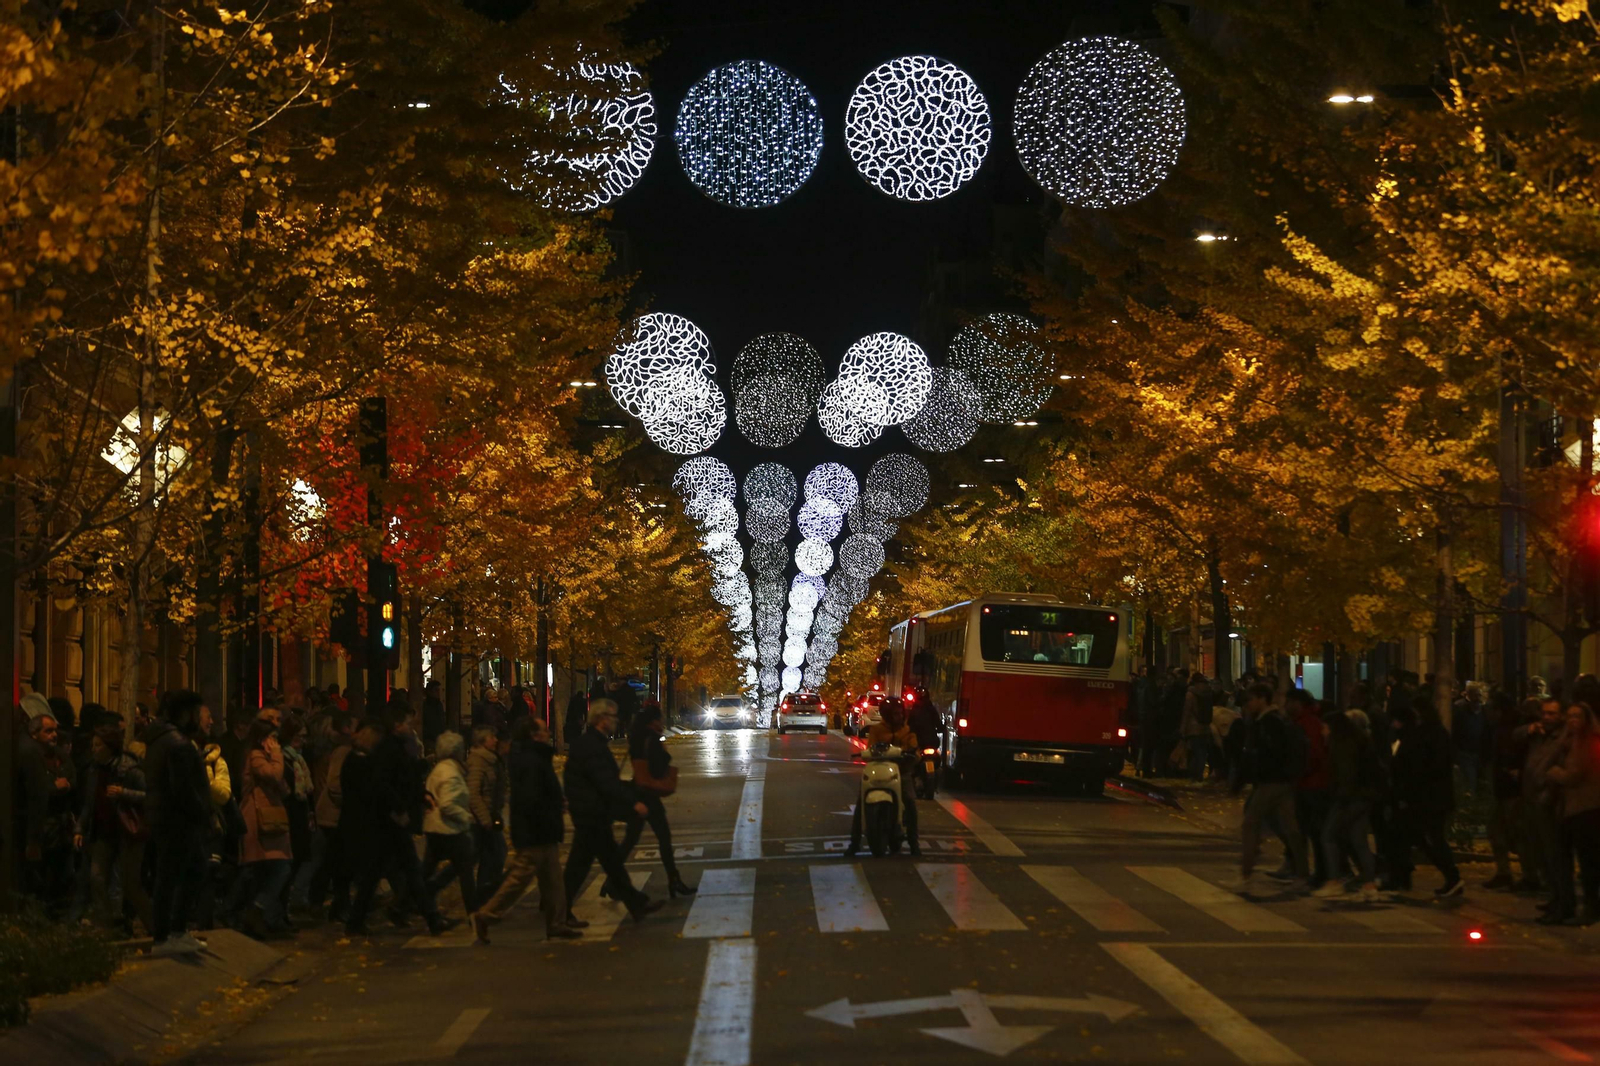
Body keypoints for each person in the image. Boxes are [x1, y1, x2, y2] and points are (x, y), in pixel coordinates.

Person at [472, 716, 582, 943]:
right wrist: (552, 807)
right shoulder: (531, 759)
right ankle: (485, 915)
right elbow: (532, 797)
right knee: (520, 878)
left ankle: (557, 923)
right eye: (544, 730)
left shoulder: (531, 756)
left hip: (541, 827)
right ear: (534, 735)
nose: (548, 733)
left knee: (553, 879)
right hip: (535, 828)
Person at [344, 714, 450, 937]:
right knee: (407, 869)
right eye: (407, 723)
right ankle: (427, 916)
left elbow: (402, 780)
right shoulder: (384, 753)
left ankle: (363, 918)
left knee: (388, 871)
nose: (411, 728)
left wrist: (420, 796)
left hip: (386, 820)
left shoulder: (390, 751)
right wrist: (400, 809)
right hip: (388, 821)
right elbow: (387, 785)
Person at [562, 699, 662, 923]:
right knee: (586, 866)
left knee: (603, 863)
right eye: (613, 718)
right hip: (591, 814)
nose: (616, 722)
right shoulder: (592, 746)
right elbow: (605, 782)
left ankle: (636, 904)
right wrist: (632, 803)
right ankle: (558, 910)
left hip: (591, 813)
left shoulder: (590, 743)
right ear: (600, 719)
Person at [145, 690, 215, 955]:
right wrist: (204, 815)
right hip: (177, 822)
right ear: (187, 714)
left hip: (167, 819)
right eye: (199, 714)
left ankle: (173, 932)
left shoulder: (162, 739)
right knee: (181, 874)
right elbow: (184, 789)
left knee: (180, 874)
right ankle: (167, 935)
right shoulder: (178, 745)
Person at [72, 723, 153, 933]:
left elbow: (151, 797)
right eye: (93, 745)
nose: (94, 749)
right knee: (97, 877)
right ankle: (106, 923)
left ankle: (155, 927)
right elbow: (90, 802)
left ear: (109, 746)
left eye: (98, 745)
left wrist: (124, 793)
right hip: (104, 831)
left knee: (131, 884)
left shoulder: (129, 767)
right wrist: (79, 828)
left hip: (128, 832)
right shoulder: (94, 769)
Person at [610, 703, 695, 899]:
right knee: (663, 837)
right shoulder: (653, 740)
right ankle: (674, 880)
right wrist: (664, 751)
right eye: (661, 719)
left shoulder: (636, 738)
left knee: (630, 840)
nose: (663, 722)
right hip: (648, 795)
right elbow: (657, 768)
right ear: (654, 721)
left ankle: (612, 881)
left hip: (638, 791)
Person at [1233, 682, 1307, 889]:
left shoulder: (1267, 724)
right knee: (1291, 828)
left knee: (1250, 824)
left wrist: (1246, 778)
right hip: (1282, 780)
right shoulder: (1274, 721)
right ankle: (1302, 872)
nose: (1247, 705)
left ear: (1262, 699)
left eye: (1251, 700)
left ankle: (1246, 873)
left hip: (1270, 781)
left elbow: (1262, 755)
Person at [1393, 695, 1463, 898]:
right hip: (1426, 795)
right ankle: (1448, 877)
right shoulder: (1427, 733)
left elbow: (1427, 766)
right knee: (1423, 837)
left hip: (1429, 797)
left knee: (1432, 838)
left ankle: (1453, 877)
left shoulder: (1430, 734)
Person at [1313, 710, 1383, 899]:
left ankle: (1334, 880)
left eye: (1325, 728)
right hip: (1364, 796)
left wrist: (1340, 798)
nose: (1323, 732)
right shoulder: (1359, 741)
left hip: (1350, 798)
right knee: (1359, 840)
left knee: (1328, 836)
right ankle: (1369, 884)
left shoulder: (1342, 746)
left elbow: (1346, 775)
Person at [236, 716, 294, 939]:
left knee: (268, 868)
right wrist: (277, 756)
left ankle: (256, 914)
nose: (275, 743)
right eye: (272, 738)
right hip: (259, 819)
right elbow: (274, 775)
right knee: (277, 867)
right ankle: (253, 910)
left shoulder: (266, 756)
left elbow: (282, 785)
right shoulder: (257, 756)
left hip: (270, 818)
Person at [1545, 701, 1600, 925]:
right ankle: (1568, 905)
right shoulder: (1568, 741)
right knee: (1566, 857)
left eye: (1577, 716)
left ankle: (1591, 907)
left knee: (1587, 862)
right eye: (1570, 716)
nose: (1572, 721)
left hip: (1586, 808)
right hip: (1569, 808)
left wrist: (1554, 772)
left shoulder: (1589, 743)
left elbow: (1574, 774)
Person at [845, 697, 920, 857]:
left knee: (910, 801)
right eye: (894, 713)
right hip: (878, 768)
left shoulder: (908, 730)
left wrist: (912, 755)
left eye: (900, 713)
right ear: (886, 715)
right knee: (861, 802)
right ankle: (854, 841)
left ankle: (914, 842)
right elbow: (871, 747)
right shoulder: (877, 730)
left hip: (901, 771)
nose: (898, 716)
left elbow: (914, 749)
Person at [20, 712, 77, 913]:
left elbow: (72, 775)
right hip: (45, 827)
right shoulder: (31, 753)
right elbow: (37, 793)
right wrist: (53, 787)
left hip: (59, 827)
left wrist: (65, 785)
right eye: (48, 731)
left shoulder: (57, 754)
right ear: (35, 733)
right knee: (42, 877)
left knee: (61, 876)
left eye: (55, 730)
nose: (54, 735)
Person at [422, 731, 477, 913]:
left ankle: (405, 902)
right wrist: (466, 818)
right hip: (448, 828)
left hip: (436, 826)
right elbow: (447, 804)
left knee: (428, 870)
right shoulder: (450, 773)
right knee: (465, 871)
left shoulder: (441, 769)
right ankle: (473, 912)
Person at [309, 712, 355, 921]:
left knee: (330, 861)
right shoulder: (343, 751)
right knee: (335, 862)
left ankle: (325, 903)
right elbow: (335, 785)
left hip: (330, 813)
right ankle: (326, 903)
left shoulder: (337, 750)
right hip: (334, 815)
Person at [1286, 689, 1333, 888]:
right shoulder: (1304, 723)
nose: (1286, 706)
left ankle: (1323, 872)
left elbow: (1313, 754)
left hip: (1312, 784)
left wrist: (1299, 772)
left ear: (1298, 703)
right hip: (1309, 782)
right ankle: (1318, 872)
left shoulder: (1308, 724)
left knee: (1315, 830)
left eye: (1289, 702)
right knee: (1311, 830)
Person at [1484, 693, 1529, 889]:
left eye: (1491, 709)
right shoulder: (1499, 729)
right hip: (1502, 788)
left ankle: (1530, 874)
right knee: (1496, 831)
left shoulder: (1512, 730)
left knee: (1518, 833)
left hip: (1512, 790)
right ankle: (1504, 872)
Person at [465, 726, 507, 904]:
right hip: (479, 820)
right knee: (489, 855)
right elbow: (473, 793)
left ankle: (485, 895)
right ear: (482, 741)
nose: (495, 740)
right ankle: (483, 897)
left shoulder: (492, 760)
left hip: (488, 816)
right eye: (492, 737)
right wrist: (485, 819)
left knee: (493, 855)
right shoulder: (478, 761)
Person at [1179, 673, 1215, 782]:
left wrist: (1183, 728)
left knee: (1194, 752)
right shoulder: (1208, 693)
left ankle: (1195, 775)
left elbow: (1187, 712)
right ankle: (1199, 774)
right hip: (1205, 726)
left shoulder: (1190, 694)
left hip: (1193, 727)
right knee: (1202, 752)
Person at [1452, 682, 1487, 796]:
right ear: (1469, 696)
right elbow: (1456, 732)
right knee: (1470, 781)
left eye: (1480, 695)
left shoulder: (1486, 712)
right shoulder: (1460, 711)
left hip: (1480, 752)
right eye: (1476, 695)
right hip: (1465, 751)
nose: (1478, 698)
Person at [421, 680, 446, 750]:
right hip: (430, 740)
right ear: (429, 691)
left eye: (439, 690)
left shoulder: (439, 704)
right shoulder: (425, 705)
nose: (438, 693)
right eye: (436, 690)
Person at [564, 685, 588, 753]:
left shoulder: (573, 700)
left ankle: (573, 747)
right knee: (577, 734)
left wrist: (567, 720)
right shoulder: (583, 701)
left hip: (572, 719)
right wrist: (585, 720)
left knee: (572, 735)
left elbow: (569, 710)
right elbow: (585, 711)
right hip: (578, 719)